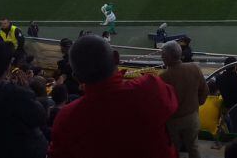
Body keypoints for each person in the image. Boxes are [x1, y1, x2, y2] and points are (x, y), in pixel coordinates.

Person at [48, 35, 179, 158]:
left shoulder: (66, 118)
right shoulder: (149, 87)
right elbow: (172, 101)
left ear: (77, 78)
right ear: (116, 57)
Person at [159, 40, 208, 158]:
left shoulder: (163, 76)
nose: (161, 57)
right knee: (193, 147)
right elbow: (205, 91)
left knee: (173, 150)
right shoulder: (194, 68)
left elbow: (161, 102)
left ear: (167, 57)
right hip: (192, 116)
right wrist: (196, 104)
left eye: (163, 55)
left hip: (173, 120)